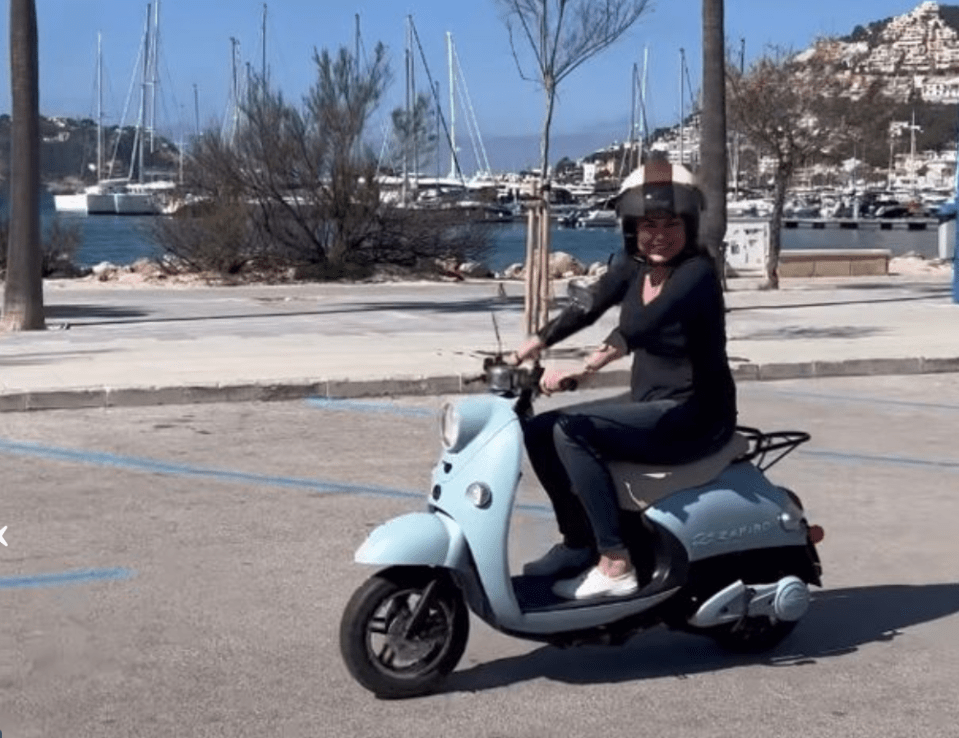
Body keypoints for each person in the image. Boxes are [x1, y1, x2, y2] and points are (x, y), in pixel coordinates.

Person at [512, 158, 737, 600]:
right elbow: (590, 304)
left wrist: (585, 366)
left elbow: (649, 322)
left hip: (694, 415)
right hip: (650, 400)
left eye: (670, 224)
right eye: (647, 224)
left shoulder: (697, 275)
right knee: (540, 431)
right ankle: (579, 543)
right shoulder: (634, 265)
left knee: (572, 434)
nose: (658, 234)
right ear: (632, 227)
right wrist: (535, 342)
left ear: (689, 225)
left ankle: (615, 562)